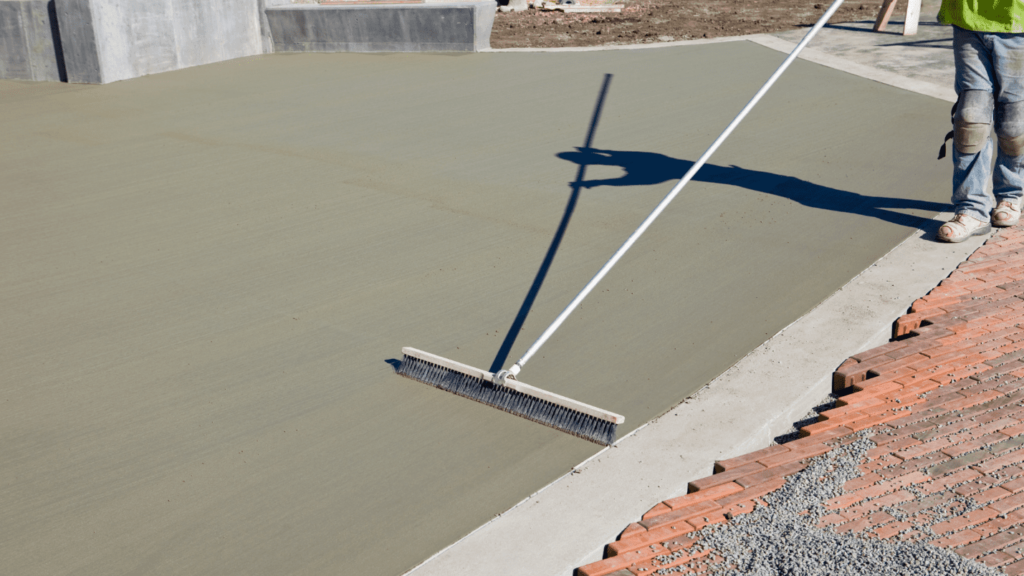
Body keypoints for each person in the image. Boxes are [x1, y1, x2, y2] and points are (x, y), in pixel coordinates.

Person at [936, 1, 1024, 242]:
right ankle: (971, 209)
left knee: (1014, 122)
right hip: (968, 17)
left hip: (1018, 20)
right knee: (970, 118)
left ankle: (1011, 194)